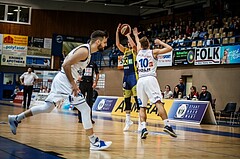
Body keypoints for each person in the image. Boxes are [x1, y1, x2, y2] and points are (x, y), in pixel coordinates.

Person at [8, 30, 112, 151]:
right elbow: (65, 65)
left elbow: (71, 66)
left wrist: (75, 78)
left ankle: (16, 119)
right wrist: (73, 84)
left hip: (62, 79)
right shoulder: (84, 51)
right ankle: (94, 141)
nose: (105, 45)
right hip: (65, 81)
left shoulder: (87, 52)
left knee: (47, 108)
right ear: (98, 41)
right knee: (85, 109)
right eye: (104, 42)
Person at [133, 27, 177, 139]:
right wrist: (160, 42)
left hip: (140, 81)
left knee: (142, 107)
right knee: (158, 103)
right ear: (148, 43)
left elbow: (138, 43)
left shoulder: (138, 52)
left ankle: (143, 128)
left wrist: (135, 35)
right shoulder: (154, 52)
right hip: (150, 79)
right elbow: (170, 48)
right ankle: (167, 125)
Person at [116, 23, 140, 131]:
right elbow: (117, 44)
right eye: (128, 43)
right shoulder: (125, 51)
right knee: (126, 100)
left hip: (133, 76)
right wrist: (117, 32)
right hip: (125, 77)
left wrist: (128, 35)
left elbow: (135, 45)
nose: (129, 44)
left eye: (130, 42)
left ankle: (140, 121)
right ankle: (128, 121)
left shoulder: (134, 51)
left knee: (136, 99)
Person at [78, 59, 99, 124]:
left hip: (90, 84)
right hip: (82, 83)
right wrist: (77, 77)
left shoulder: (93, 63)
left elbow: (97, 73)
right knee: (81, 101)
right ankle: (80, 118)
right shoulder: (81, 63)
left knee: (89, 102)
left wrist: (95, 82)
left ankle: (89, 118)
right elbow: (76, 71)